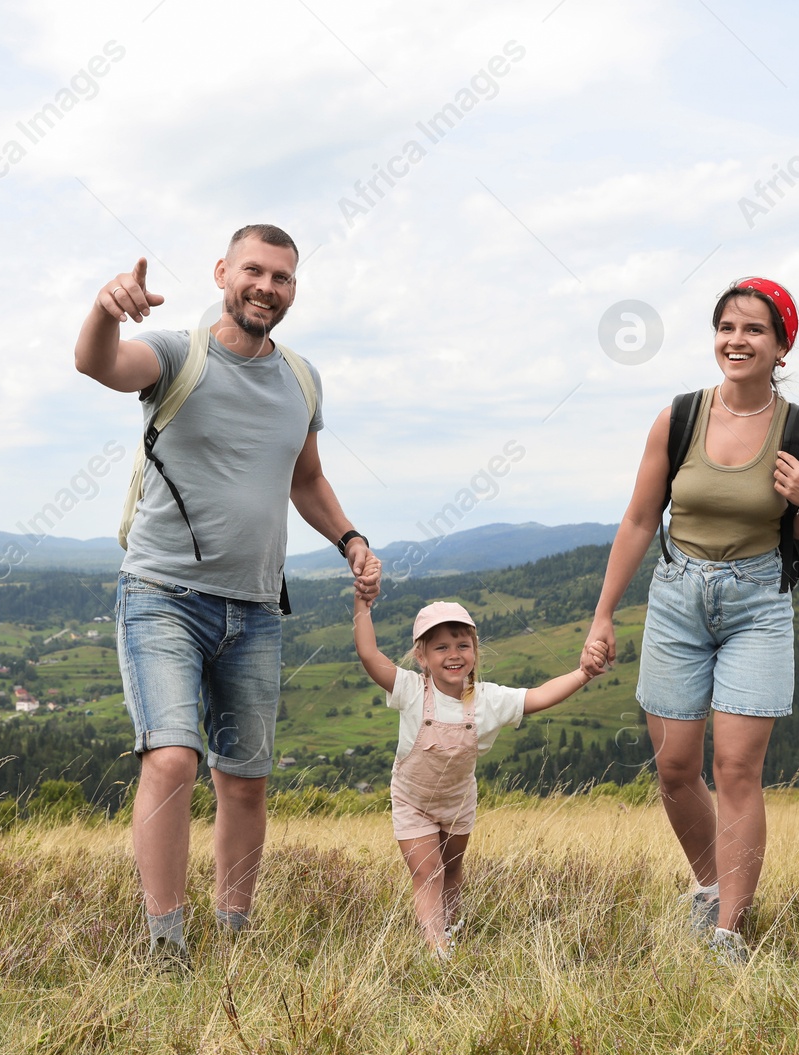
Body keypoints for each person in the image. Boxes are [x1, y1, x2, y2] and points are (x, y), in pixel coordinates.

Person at [74, 223, 379, 970]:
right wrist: (107, 308)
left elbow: (305, 479)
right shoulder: (179, 354)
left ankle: (235, 933)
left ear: (293, 290)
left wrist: (350, 539)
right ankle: (166, 943)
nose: (266, 287)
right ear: (222, 272)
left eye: (282, 277)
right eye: (254, 270)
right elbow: (99, 363)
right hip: (163, 596)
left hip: (254, 608)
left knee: (244, 780)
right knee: (172, 759)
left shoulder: (302, 379)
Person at [580, 277, 799, 966]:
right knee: (676, 767)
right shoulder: (679, 418)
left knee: (737, 768)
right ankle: (710, 884)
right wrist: (603, 616)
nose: (737, 340)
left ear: (782, 345)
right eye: (727, 326)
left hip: (758, 601)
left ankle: (728, 933)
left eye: (754, 329)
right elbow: (638, 520)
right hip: (677, 596)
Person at [353, 583, 610, 958]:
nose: (453, 655)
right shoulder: (410, 689)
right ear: (421, 657)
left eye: (462, 645)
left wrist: (583, 673)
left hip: (458, 802)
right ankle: (438, 951)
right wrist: (362, 602)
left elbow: (538, 695)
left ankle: (451, 929)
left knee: (453, 870)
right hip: (411, 800)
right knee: (429, 873)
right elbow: (368, 652)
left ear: (474, 651)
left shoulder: (488, 699)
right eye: (441, 647)